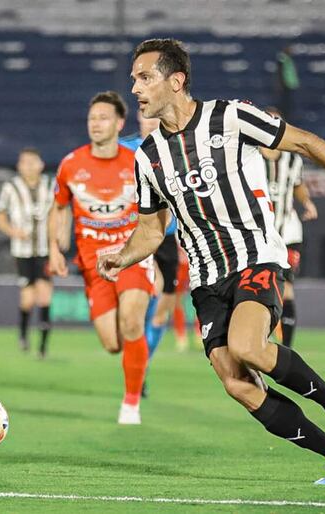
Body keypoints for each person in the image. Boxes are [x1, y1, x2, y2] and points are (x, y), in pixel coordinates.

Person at [98, 38, 325, 484]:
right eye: (134, 80)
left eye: (145, 78)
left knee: (247, 346)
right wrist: (122, 259)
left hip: (255, 255)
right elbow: (148, 229)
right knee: (236, 382)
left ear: (176, 81)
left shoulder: (230, 116)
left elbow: (306, 142)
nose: (136, 88)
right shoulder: (148, 157)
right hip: (205, 278)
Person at [47, 91, 154, 425]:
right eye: (92, 118)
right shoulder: (71, 164)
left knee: (132, 321)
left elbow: (158, 208)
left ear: (119, 123)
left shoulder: (136, 162)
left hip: (130, 256)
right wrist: (54, 247)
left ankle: (131, 404)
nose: (96, 124)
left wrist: (152, 248)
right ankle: (134, 356)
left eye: (103, 118)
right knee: (112, 343)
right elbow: (59, 207)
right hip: (93, 264)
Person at [121, 111, 178, 396]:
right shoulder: (125, 149)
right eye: (146, 117)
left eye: (154, 117)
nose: (150, 122)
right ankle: (136, 363)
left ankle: (143, 363)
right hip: (140, 234)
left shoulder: (177, 146)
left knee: (163, 310)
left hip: (168, 237)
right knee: (148, 295)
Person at [261, 107, 318, 348]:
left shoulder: (292, 159)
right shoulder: (250, 157)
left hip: (289, 233)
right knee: (262, 288)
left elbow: (297, 184)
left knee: (287, 289)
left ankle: (287, 348)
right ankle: (260, 338)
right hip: (261, 236)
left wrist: (307, 202)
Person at [0, 148, 54, 358]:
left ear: (41, 164)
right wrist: (13, 231)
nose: (28, 166)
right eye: (24, 162)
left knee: (44, 296)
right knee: (27, 299)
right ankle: (23, 335)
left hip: (46, 250)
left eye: (32, 161)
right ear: (19, 166)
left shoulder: (51, 184)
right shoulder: (11, 187)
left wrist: (60, 237)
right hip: (22, 252)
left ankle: (43, 347)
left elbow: (61, 211)